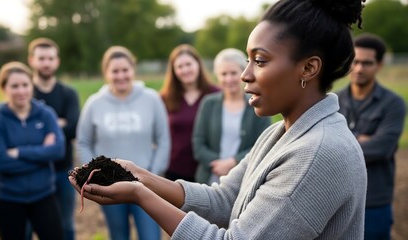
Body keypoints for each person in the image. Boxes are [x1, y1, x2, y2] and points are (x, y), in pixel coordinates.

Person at [69, 0, 368, 239]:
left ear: (308, 68)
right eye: (247, 60)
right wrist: (140, 176)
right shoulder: (279, 133)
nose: (244, 74)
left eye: (260, 61)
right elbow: (224, 200)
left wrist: (139, 194)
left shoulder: (317, 153)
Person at [76, 46, 170, 240]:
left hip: (145, 185)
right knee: (118, 236)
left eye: (125, 70)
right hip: (110, 187)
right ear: (106, 73)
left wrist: (152, 175)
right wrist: (93, 175)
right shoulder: (95, 103)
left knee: (150, 236)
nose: (121, 76)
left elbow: (163, 140)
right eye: (115, 71)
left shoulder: (151, 99)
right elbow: (83, 141)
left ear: (133, 70)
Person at [0, 61, 65, 240]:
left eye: (25, 85)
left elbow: (58, 150)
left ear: (31, 86)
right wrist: (43, 153)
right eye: (14, 86)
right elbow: (1, 163)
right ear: (4, 88)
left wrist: (19, 153)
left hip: (44, 197)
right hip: (8, 201)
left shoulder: (46, 114)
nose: (21, 91)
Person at [336, 33, 406, 240]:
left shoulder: (393, 104)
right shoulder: (333, 101)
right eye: (355, 61)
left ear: (380, 65)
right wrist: (360, 140)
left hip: (374, 201)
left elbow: (382, 148)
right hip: (337, 199)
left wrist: (341, 144)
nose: (359, 68)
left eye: (367, 63)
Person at [27, 37, 80, 240]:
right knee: (28, 226)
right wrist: (58, 124)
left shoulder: (68, 94)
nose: (46, 63)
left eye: (50, 58)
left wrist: (38, 129)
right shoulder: (24, 92)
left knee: (65, 224)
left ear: (57, 61)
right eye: (41, 58)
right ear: (32, 60)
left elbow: (74, 128)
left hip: (63, 171)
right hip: (30, 171)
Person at [192, 48, 271, 184]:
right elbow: (198, 143)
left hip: (244, 179)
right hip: (209, 179)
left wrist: (234, 162)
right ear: (217, 76)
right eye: (223, 74)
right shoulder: (208, 103)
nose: (229, 79)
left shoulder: (258, 104)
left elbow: (265, 143)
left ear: (243, 72)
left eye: (234, 73)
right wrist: (217, 164)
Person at [160, 44, 220, 182]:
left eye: (188, 64)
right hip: (174, 169)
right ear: (174, 71)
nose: (185, 70)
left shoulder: (216, 95)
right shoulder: (165, 98)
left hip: (208, 169)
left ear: (198, 64)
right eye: (180, 67)